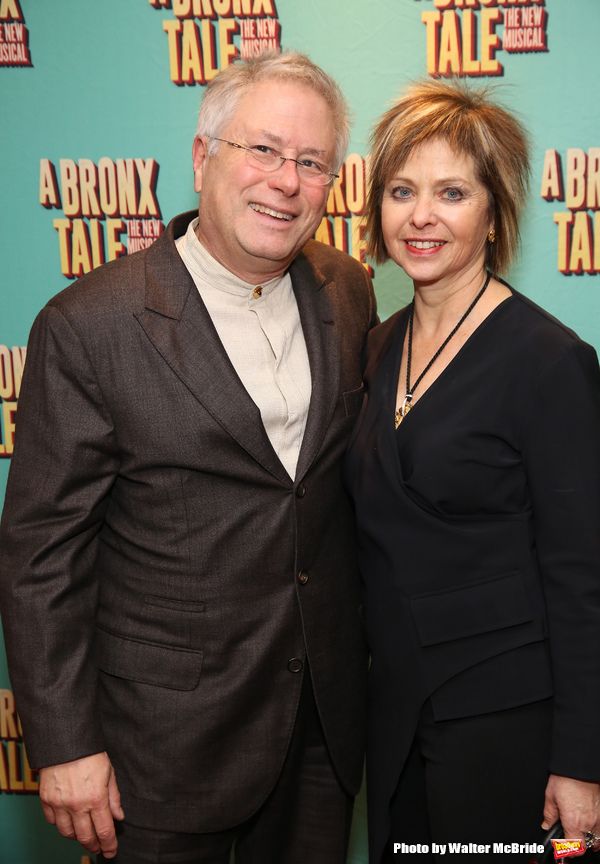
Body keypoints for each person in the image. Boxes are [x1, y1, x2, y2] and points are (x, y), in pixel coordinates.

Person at [0, 51, 377, 863]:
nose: (286, 180)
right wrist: (65, 746)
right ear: (203, 157)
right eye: (264, 149)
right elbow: (42, 558)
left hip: (320, 732)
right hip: (159, 749)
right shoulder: (90, 325)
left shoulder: (349, 291)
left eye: (312, 163)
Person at [344, 79, 600, 863]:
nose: (421, 216)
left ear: (494, 213)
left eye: (452, 192)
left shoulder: (551, 361)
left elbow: (582, 574)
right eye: (401, 190)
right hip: (396, 711)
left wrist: (582, 762)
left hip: (506, 718)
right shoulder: (378, 346)